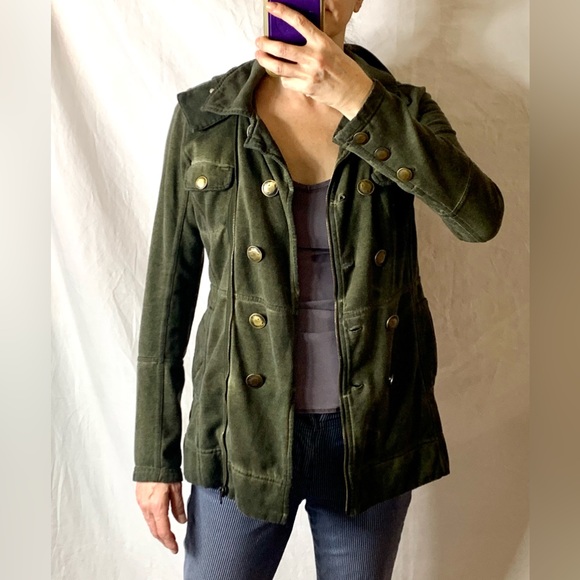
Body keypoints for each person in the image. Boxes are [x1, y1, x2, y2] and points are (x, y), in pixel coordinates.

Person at [133, 1, 504, 578]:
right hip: (241, 434)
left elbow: (479, 219)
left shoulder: (403, 110)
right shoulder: (206, 118)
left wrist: (361, 101)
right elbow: (167, 297)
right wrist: (153, 459)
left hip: (371, 437)